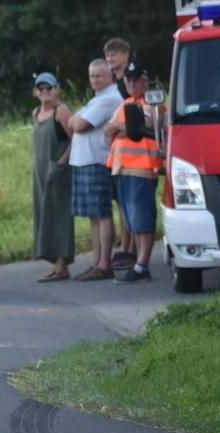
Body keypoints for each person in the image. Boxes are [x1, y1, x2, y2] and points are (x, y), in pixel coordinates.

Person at [103, 62, 164, 284]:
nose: (131, 83)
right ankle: (139, 263)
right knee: (132, 219)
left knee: (142, 218)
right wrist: (125, 126)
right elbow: (107, 129)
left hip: (143, 167)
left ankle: (142, 265)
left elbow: (147, 125)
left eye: (135, 79)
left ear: (144, 81)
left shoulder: (153, 103)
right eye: (128, 79)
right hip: (122, 167)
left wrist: (122, 127)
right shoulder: (126, 103)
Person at [66, 59, 124, 281]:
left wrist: (76, 120)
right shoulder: (96, 99)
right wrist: (75, 120)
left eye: (99, 75)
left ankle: (104, 264)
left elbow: (79, 125)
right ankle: (97, 262)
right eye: (92, 76)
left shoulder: (110, 98)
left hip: (97, 160)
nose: (95, 80)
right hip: (84, 160)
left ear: (110, 76)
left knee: (101, 213)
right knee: (93, 216)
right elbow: (73, 122)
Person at [29, 72, 73, 282]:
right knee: (44, 214)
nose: (45, 92)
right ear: (36, 92)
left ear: (57, 89)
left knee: (60, 216)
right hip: (40, 171)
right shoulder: (36, 113)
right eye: (41, 88)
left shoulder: (61, 111)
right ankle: (55, 261)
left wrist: (61, 163)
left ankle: (62, 265)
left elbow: (75, 139)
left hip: (58, 171)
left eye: (49, 88)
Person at [102, 36, 136, 270]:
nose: (110, 58)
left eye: (114, 54)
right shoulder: (111, 81)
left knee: (129, 203)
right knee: (121, 202)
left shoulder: (129, 81)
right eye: (107, 55)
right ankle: (126, 247)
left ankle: (129, 248)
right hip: (116, 150)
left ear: (125, 55)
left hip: (132, 151)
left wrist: (119, 127)